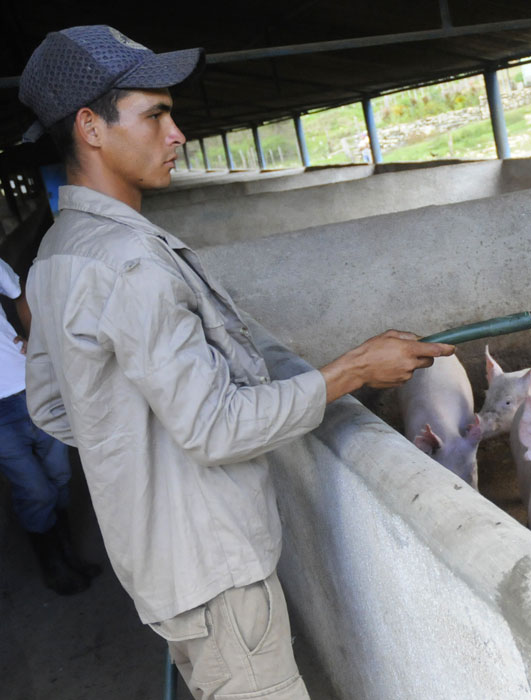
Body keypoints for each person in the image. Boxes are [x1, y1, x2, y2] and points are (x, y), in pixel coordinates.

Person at [17, 25, 453, 700]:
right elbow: (216, 429)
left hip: (162, 571)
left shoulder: (57, 256)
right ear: (90, 128)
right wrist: (354, 369)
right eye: (156, 114)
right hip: (216, 578)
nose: (178, 134)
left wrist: (138, 447)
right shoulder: (130, 266)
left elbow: (50, 406)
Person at [0, 255, 99, 595]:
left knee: (60, 474)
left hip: (31, 384)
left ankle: (66, 551)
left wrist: (33, 337)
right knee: (35, 489)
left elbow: (19, 293)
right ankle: (53, 562)